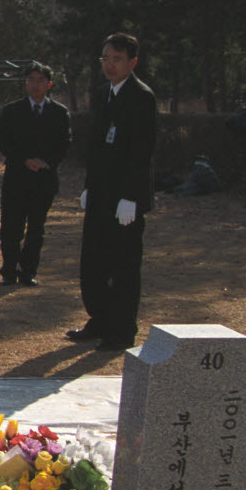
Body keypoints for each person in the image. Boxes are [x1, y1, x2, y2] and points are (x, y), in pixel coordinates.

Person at [68, 33, 157, 352]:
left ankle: (122, 330)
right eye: (105, 58)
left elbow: (141, 151)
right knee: (93, 263)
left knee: (123, 267)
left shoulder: (141, 97)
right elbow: (96, 147)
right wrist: (89, 187)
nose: (109, 65)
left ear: (132, 62)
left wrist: (132, 196)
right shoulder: (104, 94)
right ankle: (100, 318)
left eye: (117, 59)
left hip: (125, 200)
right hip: (101, 194)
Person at [0, 61, 71, 287]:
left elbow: (64, 144)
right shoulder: (11, 111)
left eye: (40, 80)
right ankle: (9, 271)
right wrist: (24, 160)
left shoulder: (59, 113)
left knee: (36, 229)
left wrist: (45, 162)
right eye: (31, 80)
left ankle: (28, 271)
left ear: (49, 84)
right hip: (16, 178)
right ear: (25, 83)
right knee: (11, 228)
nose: (35, 85)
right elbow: (3, 142)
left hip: (44, 179)